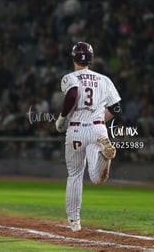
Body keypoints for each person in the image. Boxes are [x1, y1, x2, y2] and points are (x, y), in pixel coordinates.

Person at [55, 42, 121, 232]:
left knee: (75, 174)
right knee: (97, 178)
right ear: (91, 59)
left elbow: (73, 94)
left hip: (76, 129)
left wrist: (61, 117)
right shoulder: (104, 79)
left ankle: (74, 221)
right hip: (98, 130)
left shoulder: (70, 77)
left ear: (73, 57)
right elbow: (117, 108)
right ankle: (105, 155)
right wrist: (100, 119)